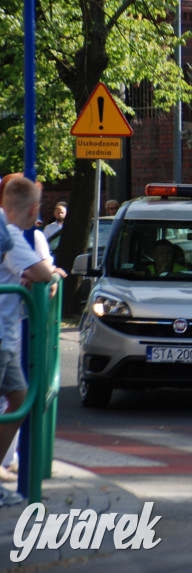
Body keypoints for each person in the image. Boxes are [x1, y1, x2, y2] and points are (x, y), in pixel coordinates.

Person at [0, 177, 57, 507]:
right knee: (19, 400)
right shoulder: (10, 234)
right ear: (35, 209)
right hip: (2, 336)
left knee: (20, 398)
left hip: (6, 334)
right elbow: (43, 274)